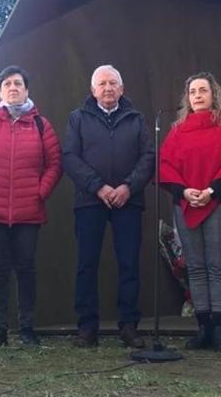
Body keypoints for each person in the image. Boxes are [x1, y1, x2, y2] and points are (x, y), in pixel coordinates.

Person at [0, 66, 63, 346]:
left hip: (28, 211)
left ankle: (28, 327)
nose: (13, 87)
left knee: (26, 268)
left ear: (27, 90)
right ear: (0, 91)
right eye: (7, 84)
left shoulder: (42, 125)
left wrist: (40, 192)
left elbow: (55, 164)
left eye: (18, 83)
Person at [159, 73, 221, 352]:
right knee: (196, 267)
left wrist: (211, 191)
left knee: (217, 265)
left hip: (218, 202)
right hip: (186, 201)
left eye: (203, 90)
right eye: (193, 92)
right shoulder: (177, 131)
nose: (198, 95)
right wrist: (184, 191)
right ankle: (203, 327)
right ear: (187, 98)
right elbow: (165, 164)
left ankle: (220, 328)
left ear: (214, 94)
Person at [62, 64, 154, 348]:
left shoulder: (136, 119)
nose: (108, 88)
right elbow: (70, 157)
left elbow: (149, 156)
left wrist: (128, 186)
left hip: (129, 200)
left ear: (122, 89)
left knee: (129, 264)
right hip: (90, 200)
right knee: (86, 264)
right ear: (93, 90)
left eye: (113, 83)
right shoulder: (77, 118)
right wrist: (98, 186)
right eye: (102, 84)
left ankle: (129, 326)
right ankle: (87, 328)